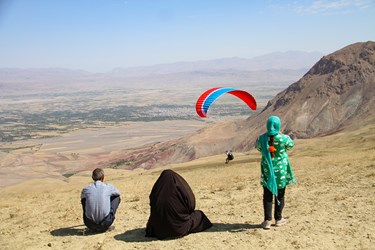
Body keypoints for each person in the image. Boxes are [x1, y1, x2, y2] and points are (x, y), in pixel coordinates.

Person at [145, 169, 212, 239]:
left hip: (158, 230)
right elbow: (191, 205)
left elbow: (153, 207)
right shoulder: (179, 186)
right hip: (178, 228)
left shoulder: (156, 190)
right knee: (200, 215)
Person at [256, 116, 296, 230]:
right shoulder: (284, 138)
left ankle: (267, 221)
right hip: (281, 171)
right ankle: (278, 219)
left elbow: (259, 149)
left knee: (267, 195)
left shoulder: (261, 138)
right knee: (280, 194)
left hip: (267, 169)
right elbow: (291, 145)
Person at [81, 168, 121, 233]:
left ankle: (91, 220)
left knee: (84, 199)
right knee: (116, 197)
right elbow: (118, 193)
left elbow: (83, 200)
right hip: (106, 223)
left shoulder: (86, 189)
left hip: (89, 224)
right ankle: (106, 221)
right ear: (103, 177)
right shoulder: (108, 187)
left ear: (92, 178)